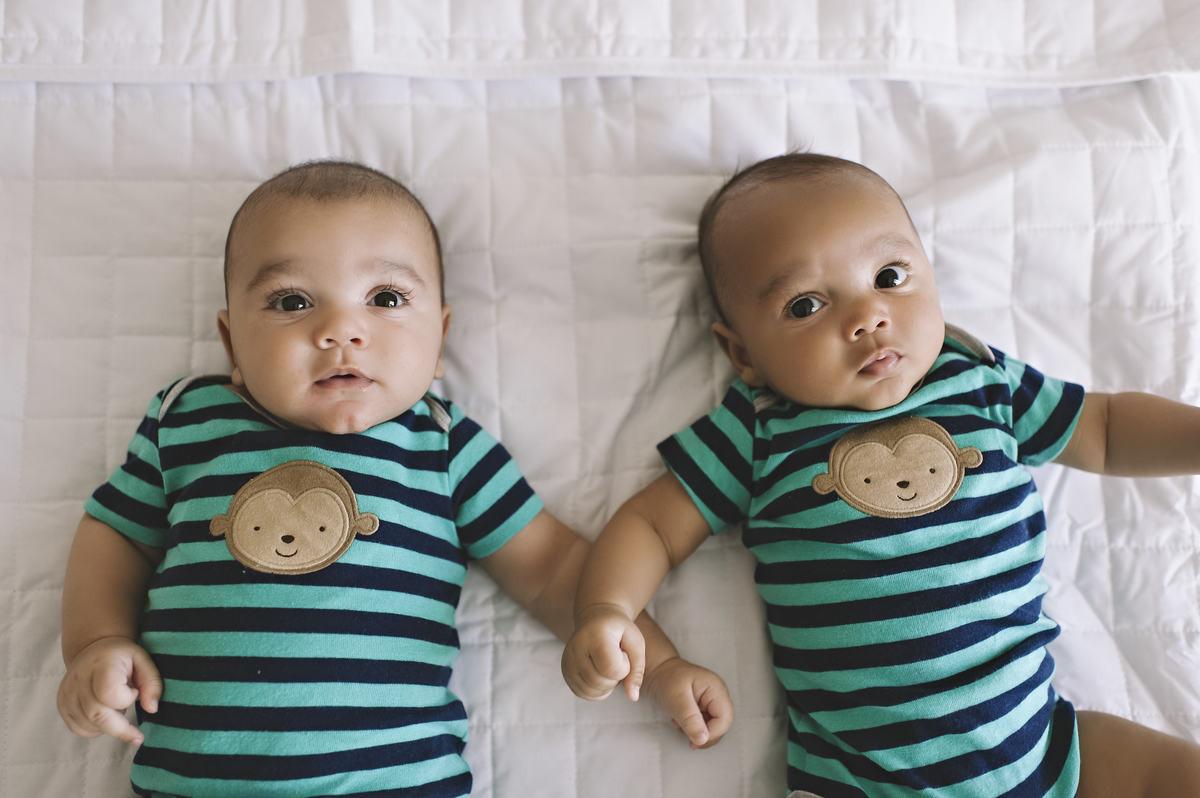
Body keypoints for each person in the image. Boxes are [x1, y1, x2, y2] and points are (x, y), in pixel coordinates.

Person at [57, 160, 732, 797]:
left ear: (439, 339)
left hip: (395, 781)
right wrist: (94, 642)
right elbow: (116, 534)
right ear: (232, 344)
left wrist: (656, 662)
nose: (341, 329)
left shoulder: (441, 445)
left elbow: (551, 565)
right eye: (292, 301)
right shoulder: (188, 422)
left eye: (385, 297)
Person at [561, 152, 1200, 797]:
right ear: (742, 353)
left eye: (889, 276)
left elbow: (1106, 429)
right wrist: (607, 610)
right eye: (805, 305)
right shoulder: (759, 429)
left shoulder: (980, 378)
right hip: (860, 780)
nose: (866, 317)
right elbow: (653, 526)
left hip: (1042, 750)